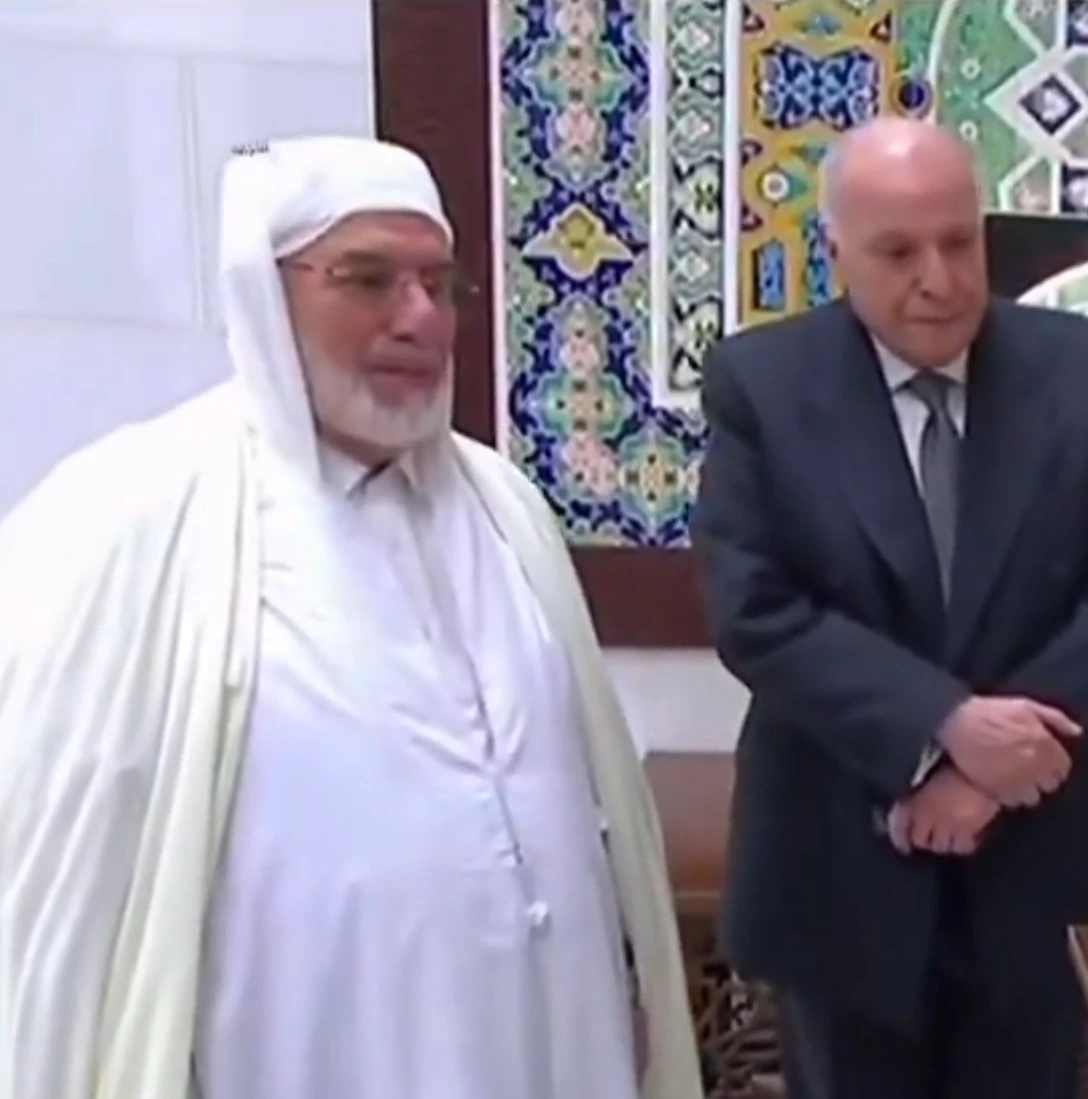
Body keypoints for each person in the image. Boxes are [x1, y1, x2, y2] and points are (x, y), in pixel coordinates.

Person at [0, 137, 702, 1099]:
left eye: (437, 283)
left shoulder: (503, 507)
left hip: (542, 1043)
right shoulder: (133, 518)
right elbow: (56, 890)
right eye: (368, 279)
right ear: (263, 292)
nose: (418, 319)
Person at [691, 116, 1088, 1099]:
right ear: (835, 250)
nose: (940, 279)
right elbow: (756, 607)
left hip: (1045, 857)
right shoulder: (763, 384)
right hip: (840, 856)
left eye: (961, 241)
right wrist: (940, 728)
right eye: (899, 251)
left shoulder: (1082, 371)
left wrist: (992, 772)